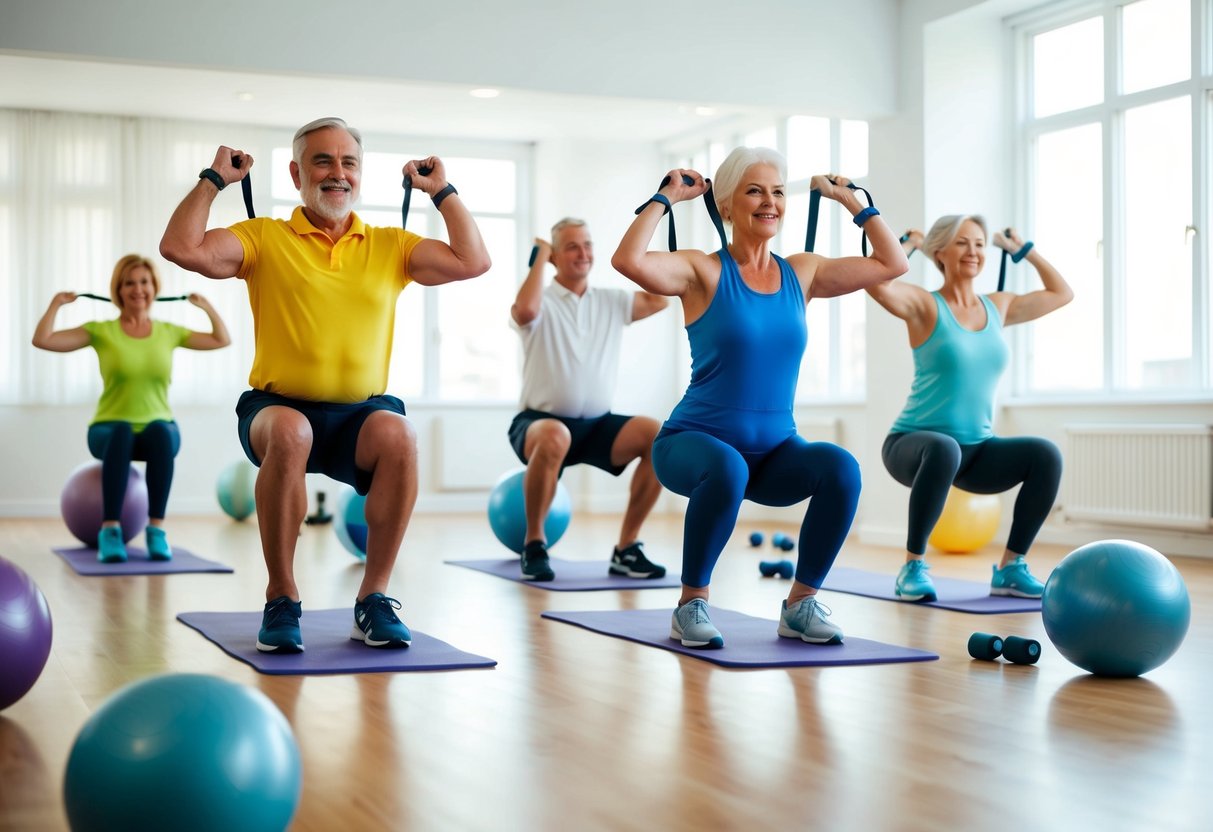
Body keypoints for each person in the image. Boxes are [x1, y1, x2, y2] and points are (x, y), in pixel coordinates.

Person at [159, 117, 491, 653]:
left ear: (359, 175)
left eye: (349, 162)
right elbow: (180, 247)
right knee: (290, 432)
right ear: (296, 173)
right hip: (277, 409)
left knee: (401, 435)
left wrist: (442, 192)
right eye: (322, 161)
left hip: (359, 415)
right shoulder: (263, 236)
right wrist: (213, 179)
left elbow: (473, 261)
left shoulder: (390, 246)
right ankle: (282, 596)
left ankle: (374, 599)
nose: (337, 173)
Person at [611, 147, 908, 648]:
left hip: (773, 454)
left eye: (776, 191)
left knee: (841, 468)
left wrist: (852, 201)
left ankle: (800, 605)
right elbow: (628, 260)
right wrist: (667, 197)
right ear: (726, 205)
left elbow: (891, 262)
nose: (769, 201)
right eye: (754, 190)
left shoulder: (803, 272)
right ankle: (691, 605)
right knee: (727, 467)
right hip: (691, 444)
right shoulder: (702, 271)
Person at [868, 217, 1072, 602]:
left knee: (1045, 455)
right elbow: (877, 284)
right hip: (911, 445)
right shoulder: (926, 304)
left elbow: (1061, 293)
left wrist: (1023, 251)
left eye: (979, 244)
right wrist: (908, 244)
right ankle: (912, 566)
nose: (974, 252)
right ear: (940, 252)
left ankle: (1011, 567)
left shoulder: (999, 306)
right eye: (963, 243)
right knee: (944, 447)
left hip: (976, 452)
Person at [31, 255, 231, 562]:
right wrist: (56, 304)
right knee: (123, 430)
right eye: (129, 283)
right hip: (108, 430)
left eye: (144, 282)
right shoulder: (102, 331)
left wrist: (206, 307)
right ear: (119, 290)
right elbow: (43, 340)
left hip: (158, 428)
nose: (138, 289)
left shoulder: (168, 331)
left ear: (154, 288)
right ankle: (110, 530)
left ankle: (156, 531)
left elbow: (221, 339)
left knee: (161, 431)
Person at [509, 219, 670, 582]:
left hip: (597, 425)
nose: (583, 253)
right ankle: (534, 543)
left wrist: (637, 255)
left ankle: (626, 548)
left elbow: (660, 298)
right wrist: (538, 258)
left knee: (659, 437)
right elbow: (525, 313)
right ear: (553, 256)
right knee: (555, 436)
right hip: (539, 423)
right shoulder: (540, 299)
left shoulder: (611, 301)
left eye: (587, 244)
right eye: (571, 247)